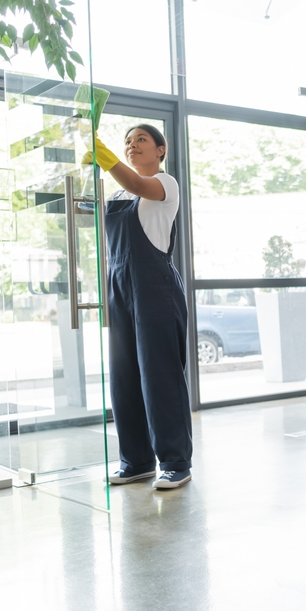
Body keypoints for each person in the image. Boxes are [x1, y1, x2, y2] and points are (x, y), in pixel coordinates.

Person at [83, 125, 195, 489]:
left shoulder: (166, 184)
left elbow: (137, 185)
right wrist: (84, 172)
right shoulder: (118, 190)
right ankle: (137, 460)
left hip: (154, 287)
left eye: (141, 140)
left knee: (159, 374)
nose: (132, 145)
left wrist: (106, 157)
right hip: (119, 287)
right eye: (127, 142)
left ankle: (176, 462)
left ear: (161, 150)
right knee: (124, 375)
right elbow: (95, 205)